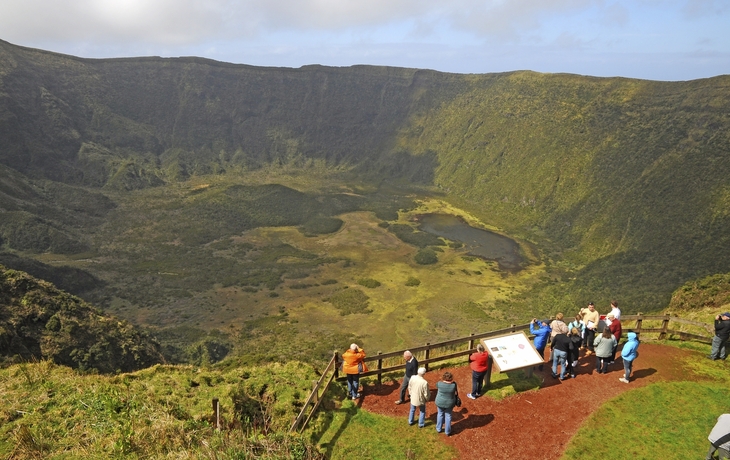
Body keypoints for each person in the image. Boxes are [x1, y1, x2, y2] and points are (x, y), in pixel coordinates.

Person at [435, 371, 458, 436]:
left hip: (440, 402)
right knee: (448, 416)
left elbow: (437, 384)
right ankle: (447, 431)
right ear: (451, 378)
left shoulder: (439, 384)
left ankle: (438, 428)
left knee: (440, 414)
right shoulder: (453, 385)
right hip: (449, 403)